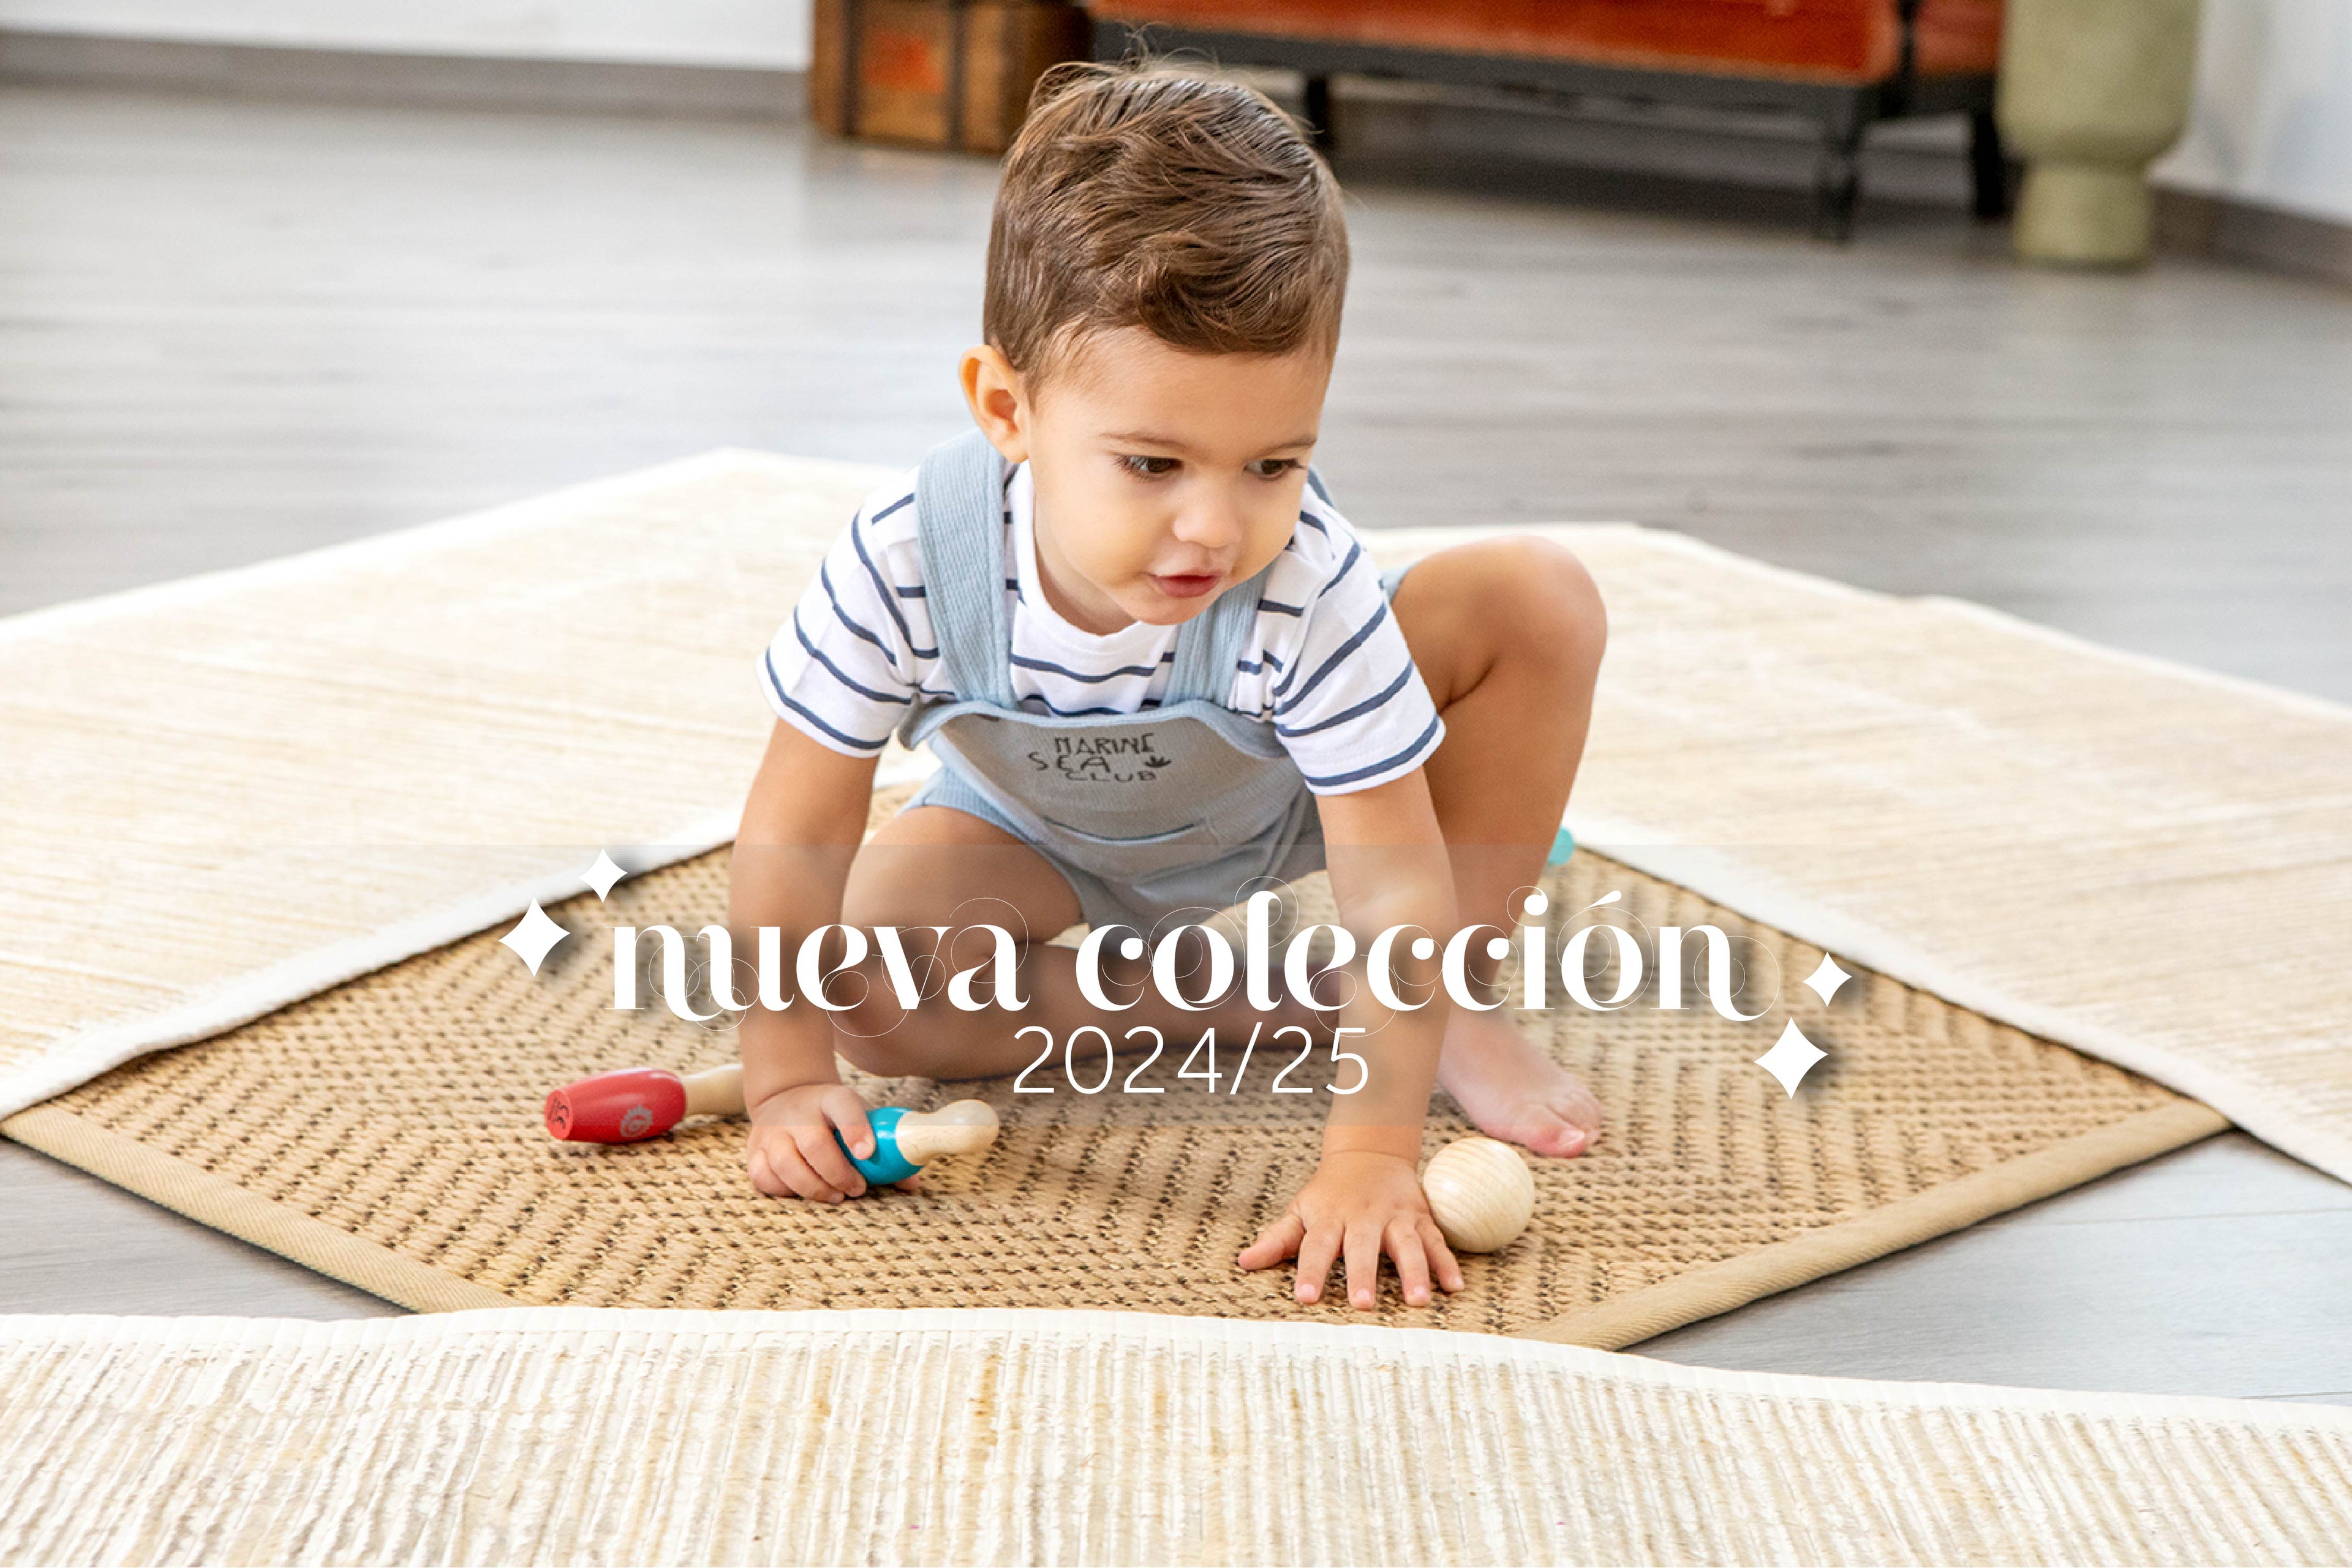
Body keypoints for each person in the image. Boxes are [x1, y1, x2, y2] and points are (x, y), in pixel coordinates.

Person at [731, 58, 1607, 1311]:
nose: (1214, 527)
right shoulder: (907, 557)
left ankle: (1451, 1009)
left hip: (1295, 794)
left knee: (1539, 599)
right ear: (1006, 408)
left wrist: (1369, 1157)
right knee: (874, 994)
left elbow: (1394, 880)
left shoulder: (1306, 581)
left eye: (1272, 463)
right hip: (1035, 833)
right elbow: (796, 828)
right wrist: (785, 1075)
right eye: (1152, 464)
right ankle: (1280, 1003)